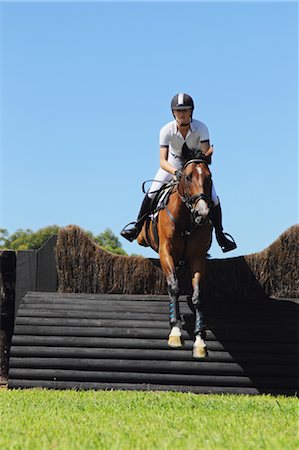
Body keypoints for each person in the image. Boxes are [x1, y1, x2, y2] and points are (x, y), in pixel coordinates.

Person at [121, 93, 237, 253]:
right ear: (173, 112)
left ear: (191, 112)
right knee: (152, 192)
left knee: (214, 198)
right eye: (178, 111)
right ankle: (137, 226)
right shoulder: (166, 130)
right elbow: (162, 161)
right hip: (171, 166)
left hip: (194, 170)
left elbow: (205, 158)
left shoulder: (201, 128)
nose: (182, 114)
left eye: (185, 110)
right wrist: (176, 172)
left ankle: (220, 235)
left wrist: (207, 157)